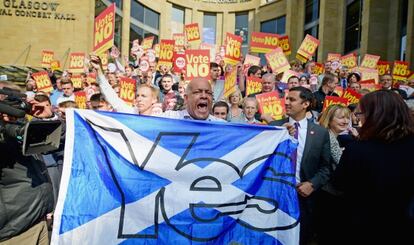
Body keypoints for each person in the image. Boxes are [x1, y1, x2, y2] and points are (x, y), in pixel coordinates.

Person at [332, 90, 414, 245]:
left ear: (375, 115)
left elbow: (339, 183)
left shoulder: (358, 150)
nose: (359, 118)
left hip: (366, 227)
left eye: (361, 113)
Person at [269, 86, 331, 244]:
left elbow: (326, 167)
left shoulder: (320, 133)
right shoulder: (274, 127)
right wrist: (278, 136)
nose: (287, 102)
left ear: (306, 104)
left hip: (304, 198)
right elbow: (263, 160)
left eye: (292, 99)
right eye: (287, 99)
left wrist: (312, 184)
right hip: (276, 196)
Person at [0, 85, 54, 244]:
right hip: (14, 232)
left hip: (38, 220)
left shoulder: (20, 127)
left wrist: (44, 117)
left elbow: (58, 138)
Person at [315, 104, 352, 245]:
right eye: (341, 117)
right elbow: (342, 162)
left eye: (347, 117)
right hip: (327, 192)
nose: (345, 121)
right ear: (329, 119)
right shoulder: (329, 137)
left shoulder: (332, 136)